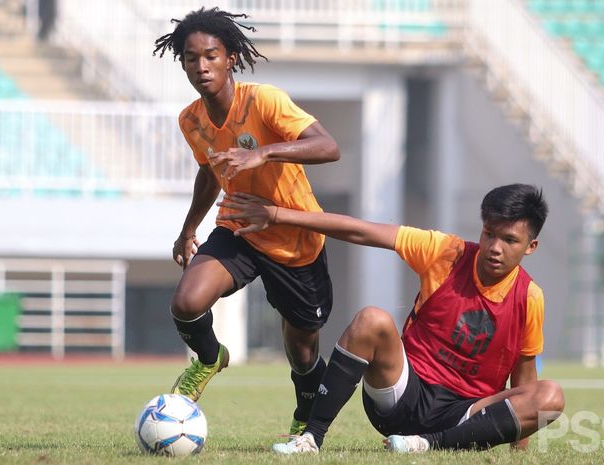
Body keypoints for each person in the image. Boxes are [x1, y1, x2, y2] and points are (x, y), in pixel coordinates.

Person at [217, 184, 565, 454]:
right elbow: (360, 230)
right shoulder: (446, 251)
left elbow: (524, 375)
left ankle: (429, 445)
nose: (494, 247)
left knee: (550, 396)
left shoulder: (530, 297)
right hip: (402, 396)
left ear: (530, 247)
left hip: (466, 414)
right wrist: (278, 215)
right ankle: (311, 437)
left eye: (509, 240)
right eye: (489, 233)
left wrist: (520, 448)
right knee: (372, 318)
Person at [153, 7, 340, 435]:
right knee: (186, 302)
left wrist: (265, 152)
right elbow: (209, 172)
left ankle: (306, 421)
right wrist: (188, 229)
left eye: (211, 56)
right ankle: (208, 358)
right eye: (191, 57)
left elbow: (329, 147)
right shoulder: (191, 120)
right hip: (239, 228)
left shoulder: (264, 100)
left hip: (295, 239)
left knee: (303, 352)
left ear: (230, 58)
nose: (201, 66)